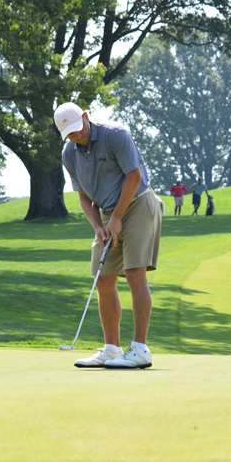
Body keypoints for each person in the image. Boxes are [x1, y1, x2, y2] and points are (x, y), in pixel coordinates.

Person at [54, 102, 162, 369]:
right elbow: (83, 196)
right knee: (103, 278)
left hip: (138, 204)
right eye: (69, 134)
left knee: (135, 273)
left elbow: (134, 177)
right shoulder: (70, 154)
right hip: (106, 211)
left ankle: (140, 350)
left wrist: (116, 218)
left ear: (86, 118)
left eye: (78, 129)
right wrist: (99, 226)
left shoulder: (116, 135)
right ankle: (112, 349)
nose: (76, 136)